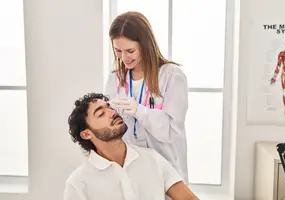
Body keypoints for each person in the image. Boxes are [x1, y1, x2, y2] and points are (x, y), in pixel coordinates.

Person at [63, 93, 199, 200]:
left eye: (109, 107)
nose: (112, 112)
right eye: (101, 114)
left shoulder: (153, 159)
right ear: (87, 134)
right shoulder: (78, 183)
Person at [105, 11, 189, 183]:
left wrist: (139, 111)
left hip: (166, 168)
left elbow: (171, 132)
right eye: (118, 50)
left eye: (130, 50)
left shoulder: (171, 76)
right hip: (131, 170)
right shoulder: (115, 79)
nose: (124, 58)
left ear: (145, 45)